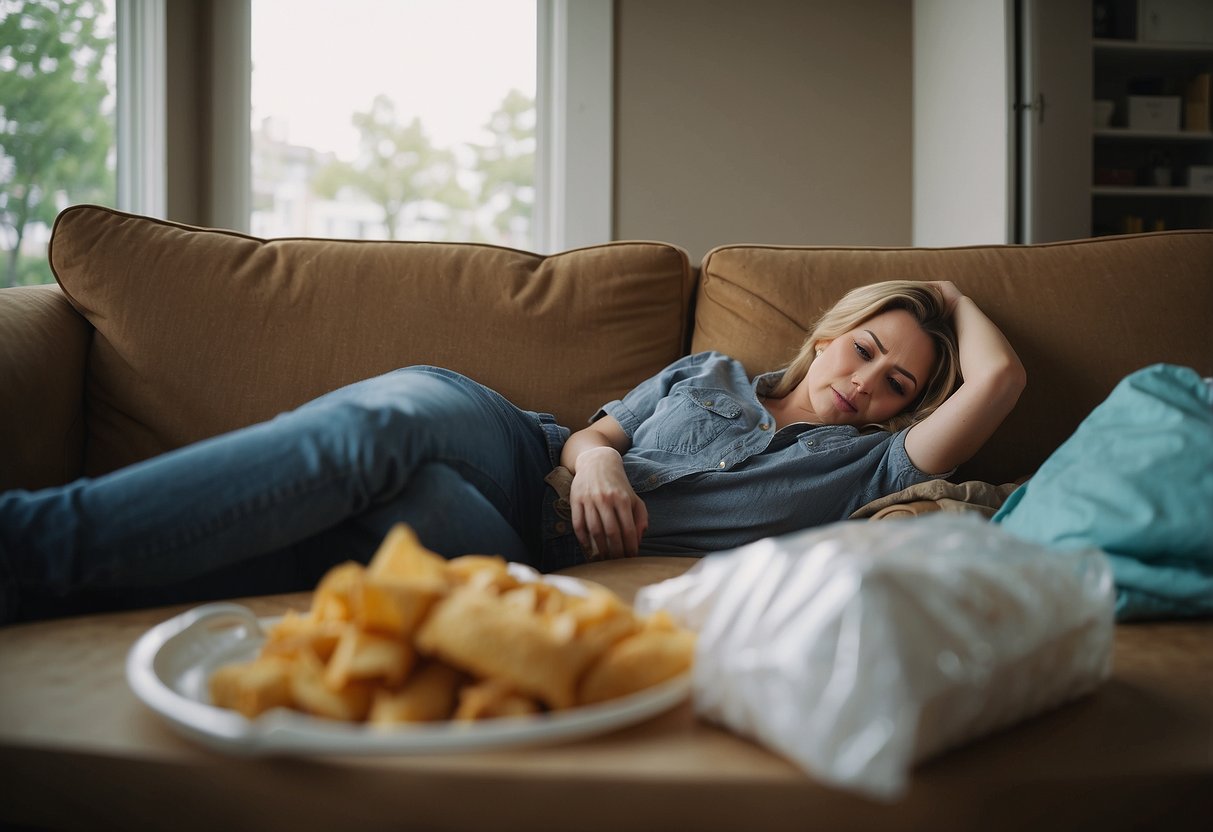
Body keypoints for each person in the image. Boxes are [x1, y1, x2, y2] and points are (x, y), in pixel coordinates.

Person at [0, 280, 1024, 622]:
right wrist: (599, 460)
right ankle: (32, 547)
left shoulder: (871, 467)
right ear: (829, 331)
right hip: (509, 437)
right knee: (382, 428)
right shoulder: (711, 370)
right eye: (865, 347)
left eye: (898, 383)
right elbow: (594, 432)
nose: (868, 381)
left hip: (522, 546)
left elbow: (999, 382)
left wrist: (948, 294)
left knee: (380, 521)